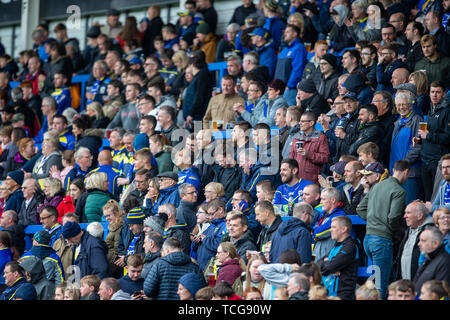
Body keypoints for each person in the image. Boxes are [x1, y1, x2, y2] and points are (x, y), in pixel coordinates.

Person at [357, 160, 410, 299]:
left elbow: (360, 208)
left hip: (368, 240)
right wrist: (396, 232)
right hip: (382, 241)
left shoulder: (377, 186)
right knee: (381, 285)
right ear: (406, 172)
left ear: (393, 170)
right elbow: (393, 217)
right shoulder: (399, 191)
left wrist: (374, 221)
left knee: (391, 280)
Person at [316, 215, 359, 300]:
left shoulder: (350, 246)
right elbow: (318, 263)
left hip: (343, 295)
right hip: (330, 293)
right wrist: (328, 265)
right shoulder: (336, 246)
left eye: (334, 227)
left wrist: (328, 265)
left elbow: (330, 266)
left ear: (344, 229)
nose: (331, 230)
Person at [395, 201, 434, 282]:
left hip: (422, 285)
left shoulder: (430, 231)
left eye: (408, 213)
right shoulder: (408, 231)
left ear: (420, 215)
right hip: (407, 285)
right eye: (405, 213)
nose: (405, 216)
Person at [289, 111, 330, 184]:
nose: (300, 123)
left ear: (311, 123)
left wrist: (308, 154)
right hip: (296, 179)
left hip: (311, 180)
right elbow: (291, 157)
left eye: (303, 121)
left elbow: (325, 158)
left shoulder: (321, 137)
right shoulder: (296, 137)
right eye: (300, 121)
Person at [274, 24, 307, 106]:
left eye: (287, 32)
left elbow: (298, 69)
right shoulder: (284, 50)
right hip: (279, 89)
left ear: (294, 34)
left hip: (289, 90)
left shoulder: (299, 48)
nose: (285, 34)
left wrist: (289, 85)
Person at [413, 226, 450, 295]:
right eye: (419, 240)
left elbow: (441, 293)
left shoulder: (445, 262)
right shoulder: (428, 260)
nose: (419, 244)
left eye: (423, 241)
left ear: (435, 243)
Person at [192, 199, 227, 270]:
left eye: (211, 214)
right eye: (208, 214)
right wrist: (197, 241)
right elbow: (198, 246)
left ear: (220, 210)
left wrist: (205, 239)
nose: (209, 217)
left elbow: (220, 245)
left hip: (212, 268)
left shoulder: (225, 226)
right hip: (202, 267)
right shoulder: (211, 226)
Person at [313, 187, 347, 261]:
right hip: (320, 257)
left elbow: (319, 233)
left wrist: (314, 232)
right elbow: (314, 230)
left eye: (323, 199)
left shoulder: (339, 215)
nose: (320, 202)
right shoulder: (323, 214)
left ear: (333, 200)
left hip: (330, 259)